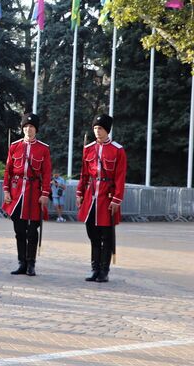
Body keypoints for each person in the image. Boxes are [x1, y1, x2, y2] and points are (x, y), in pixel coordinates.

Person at [76, 114, 126, 283]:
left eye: (101, 129)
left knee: (106, 236)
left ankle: (104, 270)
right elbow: (83, 175)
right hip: (91, 197)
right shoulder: (88, 149)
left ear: (107, 130)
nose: (98, 131)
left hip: (107, 197)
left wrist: (117, 199)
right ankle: (95, 269)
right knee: (93, 236)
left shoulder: (117, 150)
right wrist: (79, 193)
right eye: (96, 128)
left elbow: (120, 177)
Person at [2, 113, 52, 277]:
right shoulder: (14, 146)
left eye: (31, 127)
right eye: (25, 127)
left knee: (32, 230)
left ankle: (31, 263)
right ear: (22, 128)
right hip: (17, 192)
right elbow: (8, 171)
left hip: (34, 192)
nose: (28, 129)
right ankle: (21, 262)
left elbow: (46, 173)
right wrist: (6, 190)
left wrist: (45, 193)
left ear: (36, 129)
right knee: (19, 230)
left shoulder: (43, 149)